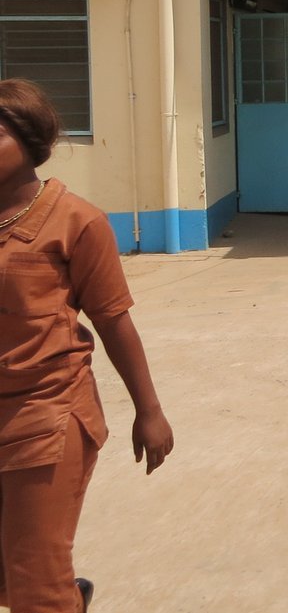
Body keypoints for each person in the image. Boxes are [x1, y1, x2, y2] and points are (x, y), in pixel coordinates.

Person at [0, 78, 174, 611]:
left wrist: (150, 411)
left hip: (45, 414)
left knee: (35, 584)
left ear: (28, 140)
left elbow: (113, 320)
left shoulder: (78, 221)